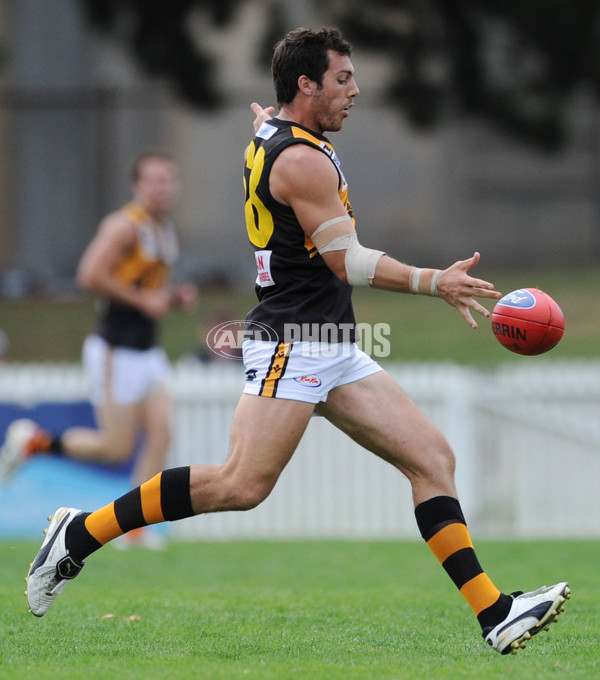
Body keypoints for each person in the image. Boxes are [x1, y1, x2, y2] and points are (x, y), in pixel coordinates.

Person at [24, 28, 569, 654]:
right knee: (240, 484)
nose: (356, 91)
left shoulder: (278, 135)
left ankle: (494, 613)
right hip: (295, 340)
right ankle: (78, 535)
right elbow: (348, 262)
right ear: (306, 85)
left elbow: (272, 133)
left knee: (432, 459)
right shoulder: (302, 159)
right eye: (342, 79)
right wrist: (434, 281)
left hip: (331, 342)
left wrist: (272, 122)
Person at [1, 152, 197, 544]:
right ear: (137, 186)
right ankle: (35, 443)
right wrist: (146, 302)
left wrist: (172, 297)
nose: (163, 187)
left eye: (168, 179)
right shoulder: (124, 226)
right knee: (115, 448)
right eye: (154, 180)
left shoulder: (164, 229)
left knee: (161, 435)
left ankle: (136, 531)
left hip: (147, 351)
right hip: (115, 350)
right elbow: (89, 275)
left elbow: (143, 284)